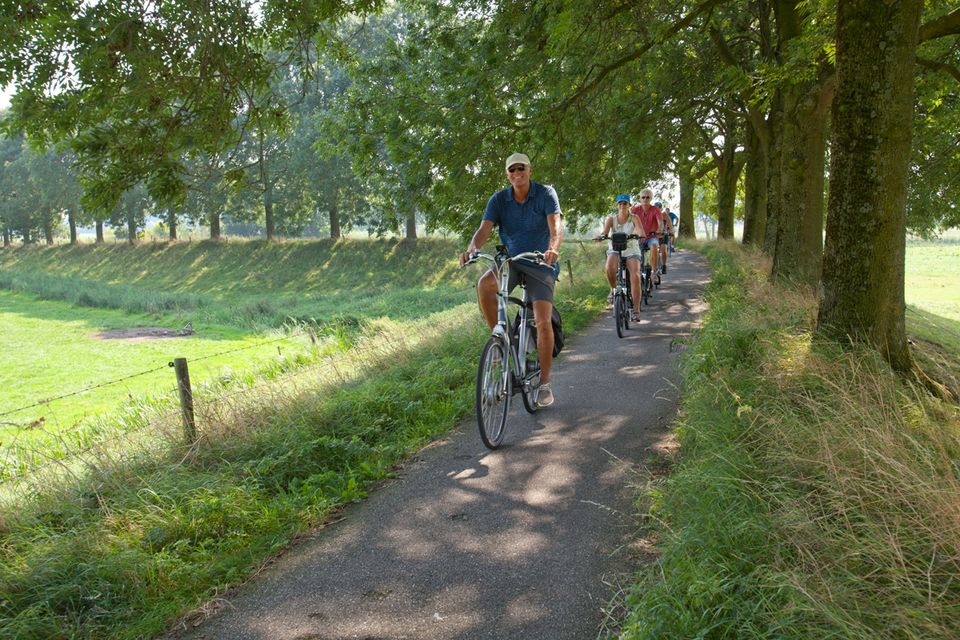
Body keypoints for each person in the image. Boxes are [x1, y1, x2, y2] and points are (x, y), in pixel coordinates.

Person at [459, 153, 563, 407]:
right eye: (512, 169)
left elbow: (556, 227)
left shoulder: (546, 194)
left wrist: (553, 249)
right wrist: (472, 248)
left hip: (540, 261)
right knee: (485, 284)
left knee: (542, 321)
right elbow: (484, 229)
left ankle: (545, 384)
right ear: (507, 174)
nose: (517, 173)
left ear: (529, 169)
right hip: (511, 261)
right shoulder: (499, 199)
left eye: (521, 168)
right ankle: (501, 338)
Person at [597, 194, 642, 321]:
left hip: (631, 248)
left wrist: (640, 235)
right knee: (609, 268)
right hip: (615, 248)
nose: (622, 205)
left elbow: (640, 230)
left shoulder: (634, 218)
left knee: (636, 275)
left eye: (625, 203)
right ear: (617, 205)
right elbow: (605, 232)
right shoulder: (611, 219)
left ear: (629, 205)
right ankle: (613, 290)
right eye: (620, 203)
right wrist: (601, 236)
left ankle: (636, 311)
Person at [630, 188, 662, 276]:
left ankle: (654, 272)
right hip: (638, 237)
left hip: (651, 237)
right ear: (640, 199)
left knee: (654, 246)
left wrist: (659, 229)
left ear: (651, 199)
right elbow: (629, 222)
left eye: (647, 197)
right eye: (643, 197)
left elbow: (660, 222)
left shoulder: (655, 209)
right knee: (633, 252)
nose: (645, 199)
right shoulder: (635, 210)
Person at [659, 205, 676, 273]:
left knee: (664, 249)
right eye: (656, 207)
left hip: (664, 232)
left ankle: (664, 265)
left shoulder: (664, 215)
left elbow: (670, 224)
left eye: (659, 207)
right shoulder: (652, 213)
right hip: (654, 235)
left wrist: (671, 231)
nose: (658, 208)